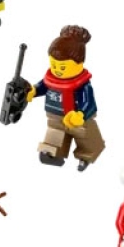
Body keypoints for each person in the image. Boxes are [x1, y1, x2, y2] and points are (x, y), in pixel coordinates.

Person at [26, 25, 105, 171]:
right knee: (55, 133)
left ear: (79, 63)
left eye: (62, 67)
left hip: (77, 118)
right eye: (53, 65)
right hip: (55, 116)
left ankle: (86, 155)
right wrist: (33, 91)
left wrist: (81, 114)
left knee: (85, 136)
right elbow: (42, 87)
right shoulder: (50, 79)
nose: (57, 70)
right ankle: (53, 152)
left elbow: (88, 102)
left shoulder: (82, 85)